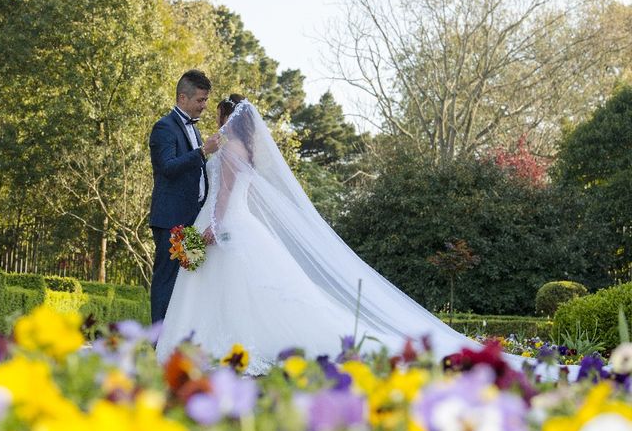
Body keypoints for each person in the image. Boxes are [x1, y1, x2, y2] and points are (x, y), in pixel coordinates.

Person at [155, 95, 565, 378]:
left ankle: (219, 344)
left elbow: (225, 195)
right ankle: (232, 343)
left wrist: (213, 228)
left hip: (228, 226)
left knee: (236, 287)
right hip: (240, 226)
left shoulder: (228, 151)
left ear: (229, 119)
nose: (215, 121)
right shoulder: (245, 152)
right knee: (250, 288)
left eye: (219, 115)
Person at [148, 70, 220, 324]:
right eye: (200, 100)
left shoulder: (194, 130)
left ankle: (175, 343)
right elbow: (167, 167)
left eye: (205, 100)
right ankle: (158, 344)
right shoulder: (163, 127)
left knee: (185, 285)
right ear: (183, 97)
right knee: (166, 282)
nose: (204, 105)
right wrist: (202, 152)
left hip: (192, 219)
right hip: (171, 218)